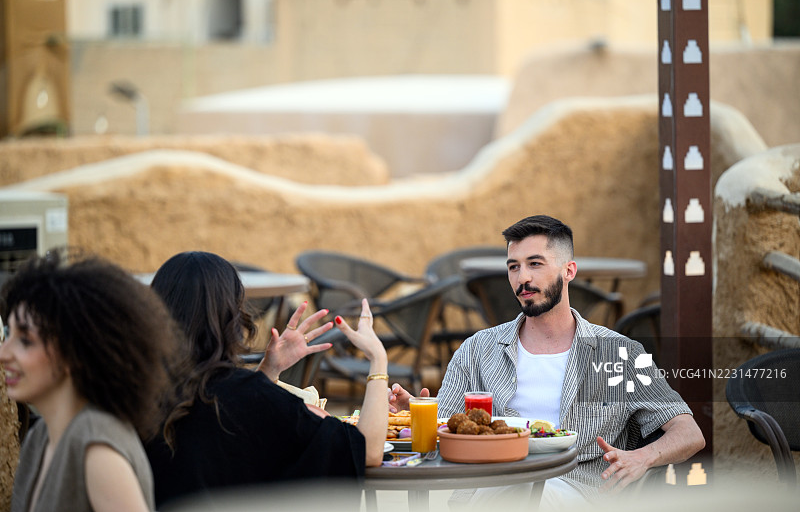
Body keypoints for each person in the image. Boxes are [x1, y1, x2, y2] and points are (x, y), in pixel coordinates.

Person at [390, 215, 705, 504]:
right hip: (490, 486)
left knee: (524, 489)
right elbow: (443, 432)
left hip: (578, 492)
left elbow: (689, 433)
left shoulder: (619, 354)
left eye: (535, 264)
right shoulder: (476, 350)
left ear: (569, 271)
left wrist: (642, 458)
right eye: (514, 267)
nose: (522, 278)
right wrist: (415, 413)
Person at [145, 251, 388, 508]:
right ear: (232, 317)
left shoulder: (139, 394)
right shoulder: (249, 396)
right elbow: (366, 451)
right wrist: (377, 358)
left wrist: (267, 374)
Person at [0, 251, 179, 512]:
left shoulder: (97, 447)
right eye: (7, 334)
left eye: (25, 340)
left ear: (75, 353)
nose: (3, 353)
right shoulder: (40, 437)